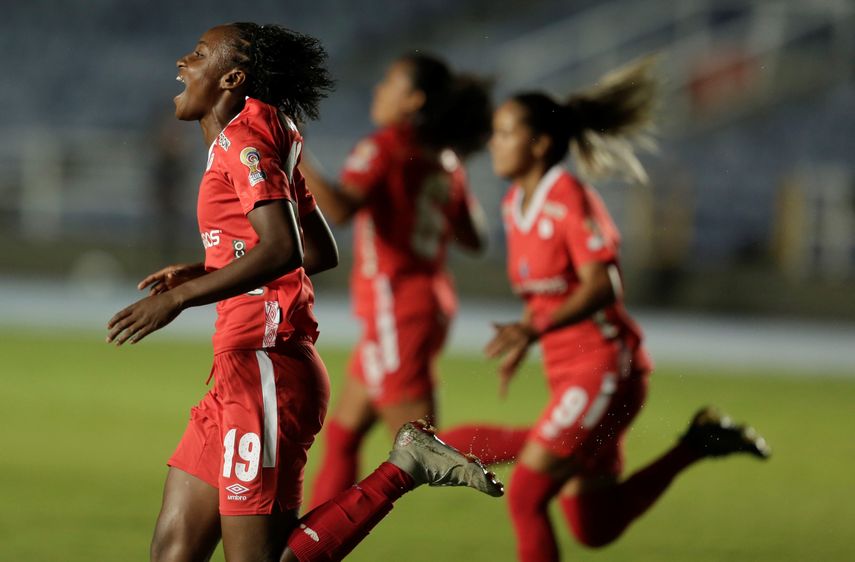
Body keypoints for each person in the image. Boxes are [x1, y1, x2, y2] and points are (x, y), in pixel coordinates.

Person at [106, 23, 502, 562]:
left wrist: (180, 298)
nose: (182, 62)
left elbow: (283, 248)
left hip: (266, 366)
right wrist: (206, 267)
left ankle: (405, 467)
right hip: (239, 369)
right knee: (172, 553)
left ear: (232, 78)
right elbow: (317, 250)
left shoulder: (246, 141)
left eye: (198, 54)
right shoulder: (263, 131)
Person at [445, 58, 771, 561]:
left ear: (540, 144)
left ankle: (440, 446)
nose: (494, 143)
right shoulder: (514, 205)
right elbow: (546, 295)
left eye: (506, 133)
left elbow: (603, 285)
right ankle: (697, 443)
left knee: (528, 494)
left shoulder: (570, 198)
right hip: (569, 373)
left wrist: (534, 329)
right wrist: (528, 335)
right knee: (594, 525)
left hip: (606, 371)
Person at [299, 53, 493, 508]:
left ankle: (554, 443)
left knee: (421, 445)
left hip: (396, 302)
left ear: (414, 100)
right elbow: (475, 237)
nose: (378, 90)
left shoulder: (386, 147)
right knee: (344, 434)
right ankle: (314, 540)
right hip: (426, 298)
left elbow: (341, 208)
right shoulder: (445, 159)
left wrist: (296, 156)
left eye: (389, 82)